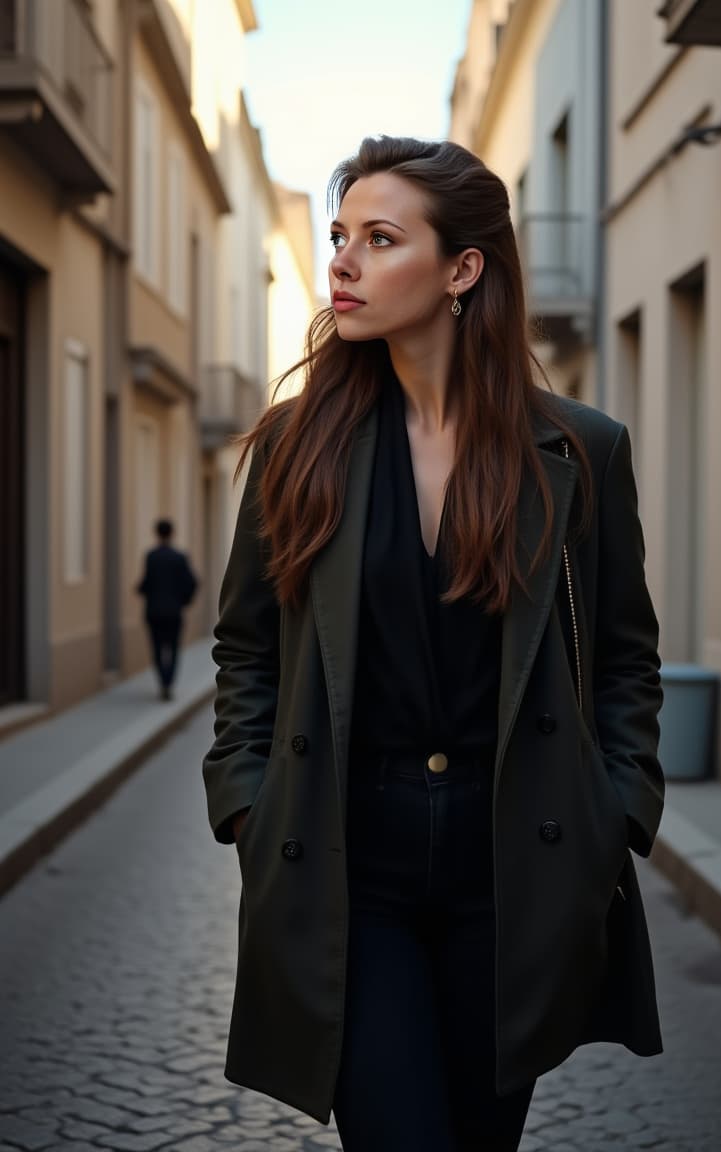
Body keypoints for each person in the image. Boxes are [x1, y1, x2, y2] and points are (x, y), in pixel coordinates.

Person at [203, 136, 664, 1152]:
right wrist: (245, 801)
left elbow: (627, 654)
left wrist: (617, 810)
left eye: (379, 237)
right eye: (339, 237)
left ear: (462, 270)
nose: (343, 264)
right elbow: (247, 650)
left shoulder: (578, 451)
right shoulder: (297, 444)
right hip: (346, 859)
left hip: (517, 861)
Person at [136, 518, 198, 701]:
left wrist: (141, 590)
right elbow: (192, 583)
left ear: (156, 533)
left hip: (154, 612)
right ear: (172, 533)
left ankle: (163, 681)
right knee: (173, 648)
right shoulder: (179, 557)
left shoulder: (151, 557)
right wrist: (184, 601)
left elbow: (146, 583)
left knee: (156, 648)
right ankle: (168, 683)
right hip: (174, 612)